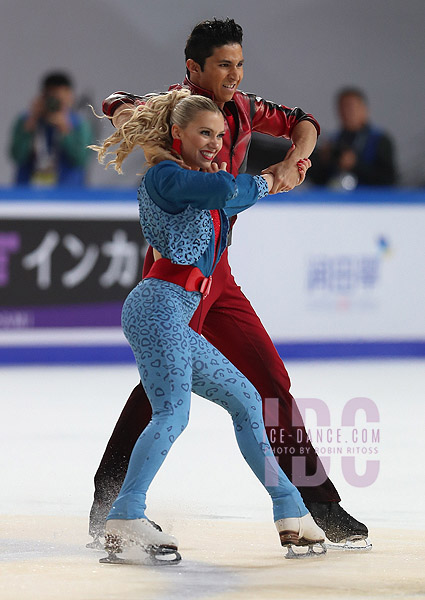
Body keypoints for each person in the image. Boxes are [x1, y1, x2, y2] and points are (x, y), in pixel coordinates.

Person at [89, 18, 369, 549]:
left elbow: (302, 121)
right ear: (193, 69)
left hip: (218, 277)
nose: (235, 75)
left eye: (239, 64)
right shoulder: (175, 111)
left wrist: (296, 157)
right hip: (174, 276)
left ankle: (313, 503)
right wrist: (132, 117)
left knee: (266, 380)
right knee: (162, 396)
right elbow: (117, 101)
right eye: (223, 65)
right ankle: (112, 500)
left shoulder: (243, 108)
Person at [8, 71, 93, 186]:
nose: (55, 104)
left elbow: (81, 159)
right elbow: (17, 156)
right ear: (43, 97)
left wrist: (65, 129)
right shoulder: (26, 120)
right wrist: (30, 124)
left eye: (60, 100)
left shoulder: (79, 124)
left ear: (70, 98)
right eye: (52, 99)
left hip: (68, 192)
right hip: (28, 192)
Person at [309, 87, 397, 189]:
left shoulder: (380, 140)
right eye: (342, 108)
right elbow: (319, 181)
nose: (346, 112)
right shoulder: (333, 141)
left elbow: (389, 180)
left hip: (371, 200)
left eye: (350, 107)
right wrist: (322, 161)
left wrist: (355, 165)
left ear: (363, 109)